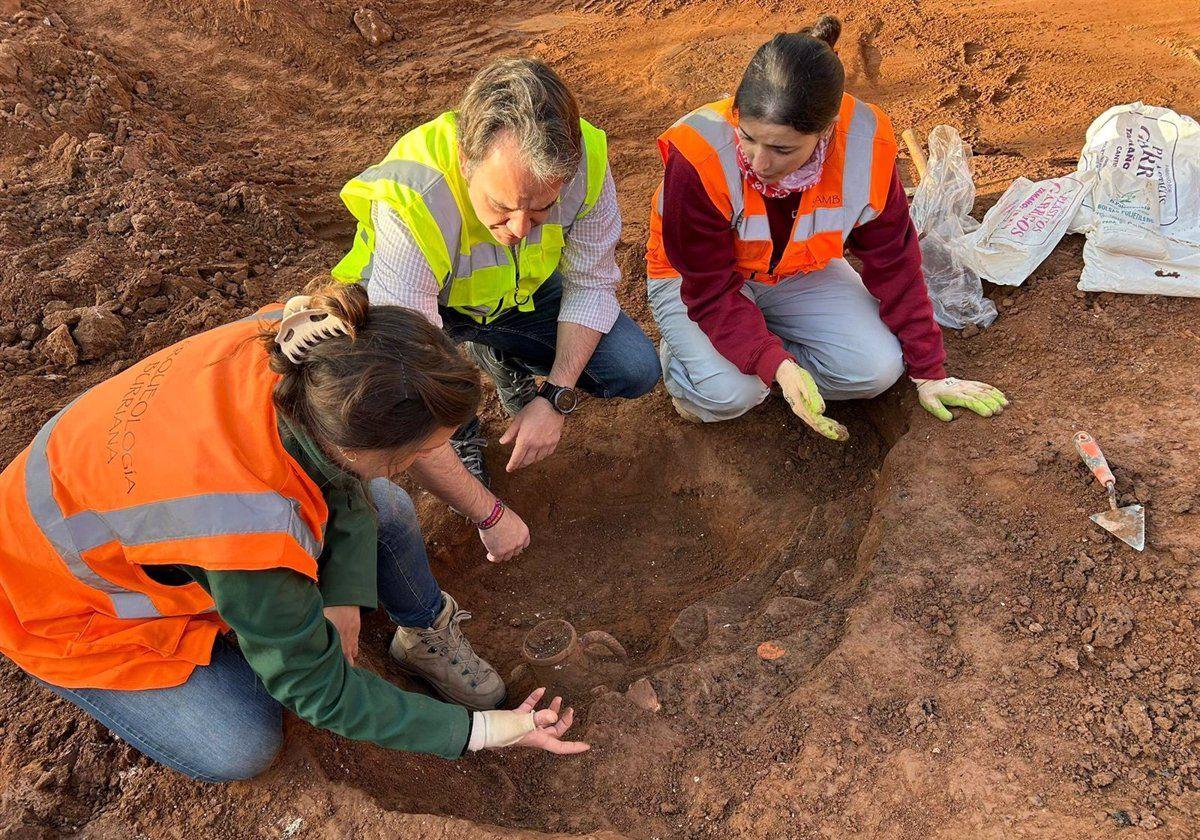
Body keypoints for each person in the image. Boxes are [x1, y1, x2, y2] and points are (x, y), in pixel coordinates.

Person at [0, 284, 587, 783]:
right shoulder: (246, 529)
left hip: (107, 500)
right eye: (417, 454)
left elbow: (346, 485)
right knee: (241, 745)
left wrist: (344, 593)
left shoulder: (311, 346)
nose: (427, 463)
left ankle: (421, 634)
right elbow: (320, 692)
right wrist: (488, 731)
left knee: (383, 505)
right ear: (356, 447)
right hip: (64, 606)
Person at [644, 15, 1006, 438]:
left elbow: (894, 259)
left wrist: (929, 372)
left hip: (796, 271)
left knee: (875, 369)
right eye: (747, 137)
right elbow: (708, 289)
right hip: (693, 280)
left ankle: (762, 361)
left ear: (826, 132)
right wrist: (772, 361)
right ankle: (692, 366)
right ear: (737, 113)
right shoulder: (699, 156)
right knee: (729, 394)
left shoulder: (865, 147)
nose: (759, 163)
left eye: (782, 149)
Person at [333, 57, 660, 486]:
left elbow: (591, 284)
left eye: (542, 208)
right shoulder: (413, 195)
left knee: (635, 368)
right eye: (502, 207)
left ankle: (499, 353)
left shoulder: (584, 162)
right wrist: (486, 513)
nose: (521, 229)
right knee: (417, 398)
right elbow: (409, 362)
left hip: (519, 295)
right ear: (466, 160)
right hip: (419, 312)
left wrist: (555, 396)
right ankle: (462, 431)